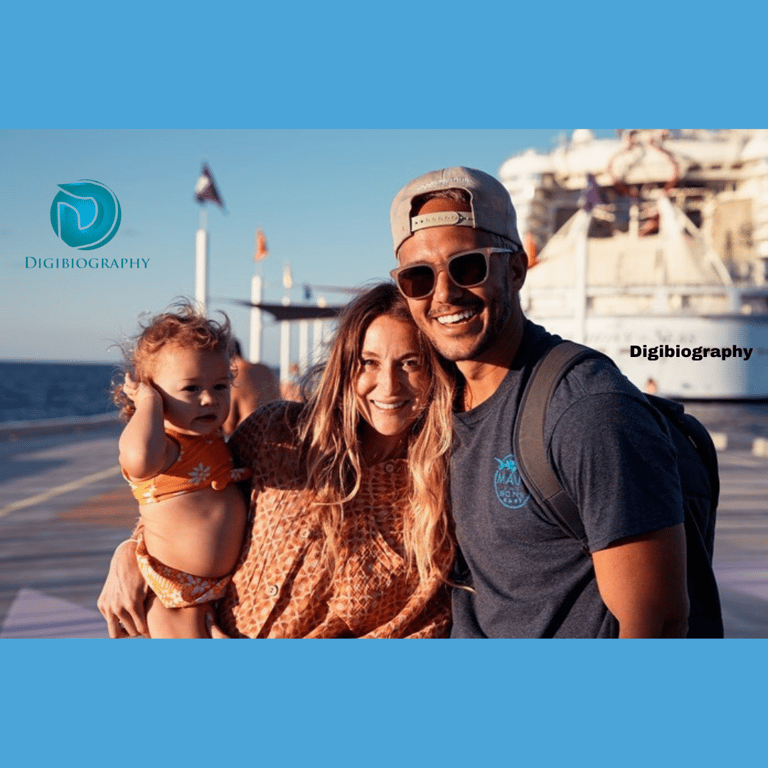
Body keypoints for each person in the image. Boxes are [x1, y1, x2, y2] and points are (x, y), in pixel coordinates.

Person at [389, 166, 688, 638]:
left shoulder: (588, 412)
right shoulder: (438, 404)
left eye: (468, 266)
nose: (443, 294)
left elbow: (660, 621)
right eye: (418, 278)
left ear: (515, 269)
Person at [99, 283, 455, 638]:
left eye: (410, 363)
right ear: (345, 367)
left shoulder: (441, 494)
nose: (389, 385)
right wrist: (131, 553)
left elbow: (423, 632)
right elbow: (188, 491)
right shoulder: (275, 432)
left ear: (436, 370)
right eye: (368, 363)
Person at [112, 302, 249, 638]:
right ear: (154, 392)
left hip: (213, 592)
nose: (209, 400)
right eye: (191, 388)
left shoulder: (212, 438)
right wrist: (148, 403)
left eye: (220, 387)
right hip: (171, 597)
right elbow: (137, 459)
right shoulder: (164, 447)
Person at [222, 339, 280, 437]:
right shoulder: (266, 370)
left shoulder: (235, 376)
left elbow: (228, 426)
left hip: (249, 437)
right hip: (275, 432)